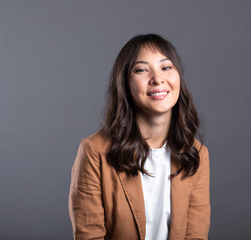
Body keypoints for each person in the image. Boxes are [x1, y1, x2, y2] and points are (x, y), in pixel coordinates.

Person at [68, 33, 210, 240]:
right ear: (125, 84)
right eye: (142, 69)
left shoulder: (196, 154)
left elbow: (195, 236)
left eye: (166, 67)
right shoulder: (94, 152)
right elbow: (89, 236)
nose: (158, 79)